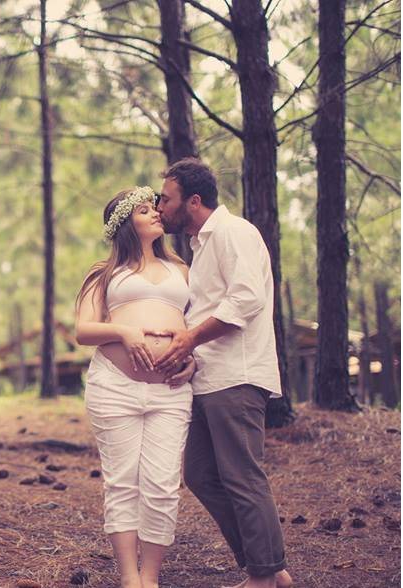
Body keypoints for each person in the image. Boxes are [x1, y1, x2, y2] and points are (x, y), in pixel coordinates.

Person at [153, 158, 293, 588]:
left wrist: (189, 340)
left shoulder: (235, 233)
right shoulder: (201, 245)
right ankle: (268, 568)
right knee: (199, 473)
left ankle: (265, 575)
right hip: (210, 377)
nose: (159, 207)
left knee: (242, 476)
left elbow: (244, 301)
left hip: (238, 375)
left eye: (166, 198)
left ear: (194, 201)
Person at [74, 186, 196, 588]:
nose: (156, 214)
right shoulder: (104, 273)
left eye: (155, 208)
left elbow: (198, 328)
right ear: (126, 224)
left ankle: (151, 577)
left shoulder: (182, 270)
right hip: (115, 386)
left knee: (162, 485)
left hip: (170, 390)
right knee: (122, 481)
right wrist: (125, 333)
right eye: (145, 211)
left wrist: (193, 359)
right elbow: (84, 330)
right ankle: (130, 579)